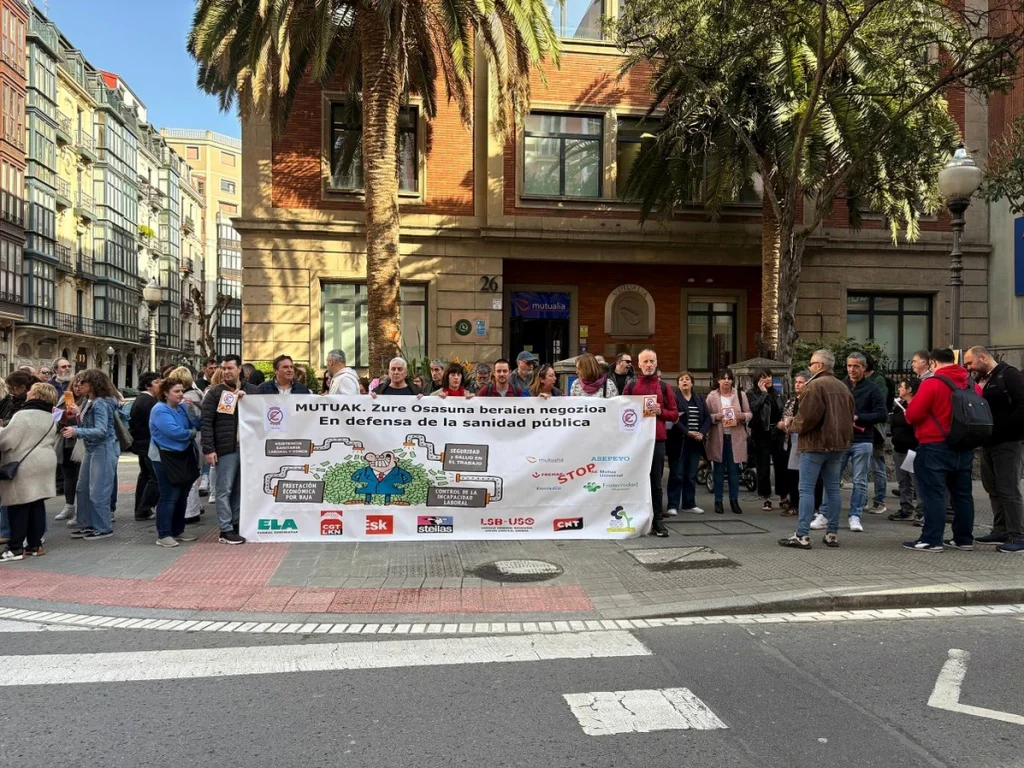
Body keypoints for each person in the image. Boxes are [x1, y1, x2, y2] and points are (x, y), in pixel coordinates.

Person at [779, 349, 855, 549]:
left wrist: (789, 425)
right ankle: (832, 533)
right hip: (837, 445)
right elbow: (850, 416)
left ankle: (802, 534)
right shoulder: (843, 387)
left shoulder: (814, 386)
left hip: (815, 444)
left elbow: (805, 419)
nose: (810, 366)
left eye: (812, 363)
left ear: (820, 365)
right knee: (832, 489)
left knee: (806, 489)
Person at [903, 348, 976, 552]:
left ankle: (931, 539)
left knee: (934, 494)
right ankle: (964, 539)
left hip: (934, 444)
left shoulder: (932, 383)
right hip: (964, 445)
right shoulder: (971, 384)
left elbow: (913, 414)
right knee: (962, 495)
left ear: (933, 363)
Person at [813, 353, 887, 533]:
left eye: (856, 366)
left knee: (860, 481)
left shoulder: (872, 388)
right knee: (831, 478)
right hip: (840, 439)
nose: (852, 369)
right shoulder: (840, 385)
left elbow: (882, 413)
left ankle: (855, 515)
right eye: (849, 366)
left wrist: (859, 418)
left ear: (863, 368)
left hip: (863, 440)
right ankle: (823, 514)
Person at [964, 346, 1024, 552]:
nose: (968, 367)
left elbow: (1022, 404)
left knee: (1008, 489)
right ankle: (1000, 530)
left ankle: (1018, 535)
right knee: (993, 488)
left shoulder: (1009, 374)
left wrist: (1006, 428)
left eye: (970, 362)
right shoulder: (983, 379)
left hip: (1008, 441)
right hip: (988, 442)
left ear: (983, 357)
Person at [0, 383, 60, 561]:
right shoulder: (50, 416)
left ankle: (15, 548)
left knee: (18, 505)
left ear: (36, 395)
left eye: (31, 390)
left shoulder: (23, 415)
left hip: (26, 465)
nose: (27, 392)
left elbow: (7, 441)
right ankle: (35, 545)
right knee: (36, 504)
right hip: (45, 461)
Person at [621, 349, 677, 536]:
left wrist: (661, 411)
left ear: (656, 362)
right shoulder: (630, 386)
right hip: (636, 442)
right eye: (645, 361)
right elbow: (621, 411)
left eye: (651, 361)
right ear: (639, 364)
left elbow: (674, 414)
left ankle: (658, 521)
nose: (648, 364)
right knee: (635, 481)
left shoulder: (665, 388)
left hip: (657, 441)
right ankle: (636, 518)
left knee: (656, 482)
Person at [201, 355, 256, 545]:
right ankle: (225, 529)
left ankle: (235, 523)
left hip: (248, 449)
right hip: (226, 449)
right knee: (224, 489)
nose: (226, 372)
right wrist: (209, 449)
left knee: (240, 489)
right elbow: (206, 422)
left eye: (230, 368)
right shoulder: (215, 393)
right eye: (223, 368)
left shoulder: (253, 391)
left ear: (240, 369)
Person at [61, 369, 120, 540]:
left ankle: (103, 527)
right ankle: (87, 524)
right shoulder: (91, 401)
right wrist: (78, 416)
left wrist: (76, 431)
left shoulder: (99, 402)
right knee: (83, 488)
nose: (78, 385)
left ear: (93, 384)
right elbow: (94, 424)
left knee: (98, 490)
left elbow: (101, 430)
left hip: (103, 448)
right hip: (94, 448)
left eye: (83, 382)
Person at [150, 378, 201, 548]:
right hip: (165, 457)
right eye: (176, 391)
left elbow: (196, 423)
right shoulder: (159, 410)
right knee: (169, 495)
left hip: (183, 456)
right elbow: (174, 432)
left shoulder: (181, 408)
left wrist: (191, 409)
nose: (181, 394)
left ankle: (178, 529)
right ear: (166, 393)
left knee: (182, 494)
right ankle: (164, 533)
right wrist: (191, 433)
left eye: (181, 391)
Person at [705, 368, 752, 516]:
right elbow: (706, 417)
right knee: (718, 470)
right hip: (718, 437)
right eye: (723, 378)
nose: (726, 381)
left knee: (734, 471)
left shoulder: (740, 395)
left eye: (729, 378)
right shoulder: (712, 397)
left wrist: (742, 416)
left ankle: (734, 501)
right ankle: (718, 501)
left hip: (735, 437)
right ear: (718, 380)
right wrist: (716, 417)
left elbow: (749, 413)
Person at [666, 371, 710, 516]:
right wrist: (687, 432)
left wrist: (701, 433)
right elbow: (673, 419)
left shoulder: (699, 398)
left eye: (687, 379)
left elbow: (707, 418)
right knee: (677, 474)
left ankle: (689, 504)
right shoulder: (673, 398)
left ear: (692, 383)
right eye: (681, 380)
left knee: (690, 475)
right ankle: (672, 505)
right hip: (679, 441)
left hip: (696, 442)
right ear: (678, 384)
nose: (684, 381)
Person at [165, 367, 205, 525]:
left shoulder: (187, 401)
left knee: (189, 478)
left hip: (188, 444)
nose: (180, 394)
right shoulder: (194, 396)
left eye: (180, 389)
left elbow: (193, 424)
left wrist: (190, 433)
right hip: (191, 443)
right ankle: (191, 510)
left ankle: (190, 511)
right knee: (191, 477)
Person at [747, 368, 788, 511]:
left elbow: (783, 410)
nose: (768, 379)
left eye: (769, 376)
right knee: (763, 467)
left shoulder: (778, 394)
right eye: (764, 377)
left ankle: (783, 496)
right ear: (758, 380)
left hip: (778, 433)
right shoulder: (751, 394)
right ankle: (766, 497)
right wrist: (763, 393)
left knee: (781, 466)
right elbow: (754, 408)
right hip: (761, 434)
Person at [129, 373, 161, 521]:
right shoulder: (148, 401)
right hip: (147, 443)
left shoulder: (143, 400)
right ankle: (144, 508)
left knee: (145, 475)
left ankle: (141, 508)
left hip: (142, 443)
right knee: (155, 478)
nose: (159, 384)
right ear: (148, 385)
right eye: (156, 382)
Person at [889, 376, 921, 522]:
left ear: (909, 389)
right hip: (900, 448)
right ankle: (905, 508)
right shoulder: (900, 404)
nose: (899, 389)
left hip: (912, 449)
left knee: (916, 481)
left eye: (902, 386)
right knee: (903, 481)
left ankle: (921, 511)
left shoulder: (917, 405)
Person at [781, 370, 811, 517]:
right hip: (791, 441)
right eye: (796, 382)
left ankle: (809, 507)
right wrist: (783, 424)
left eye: (800, 382)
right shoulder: (792, 401)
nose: (797, 385)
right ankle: (794, 504)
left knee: (806, 476)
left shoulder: (810, 401)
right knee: (792, 474)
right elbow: (784, 418)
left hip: (806, 442)